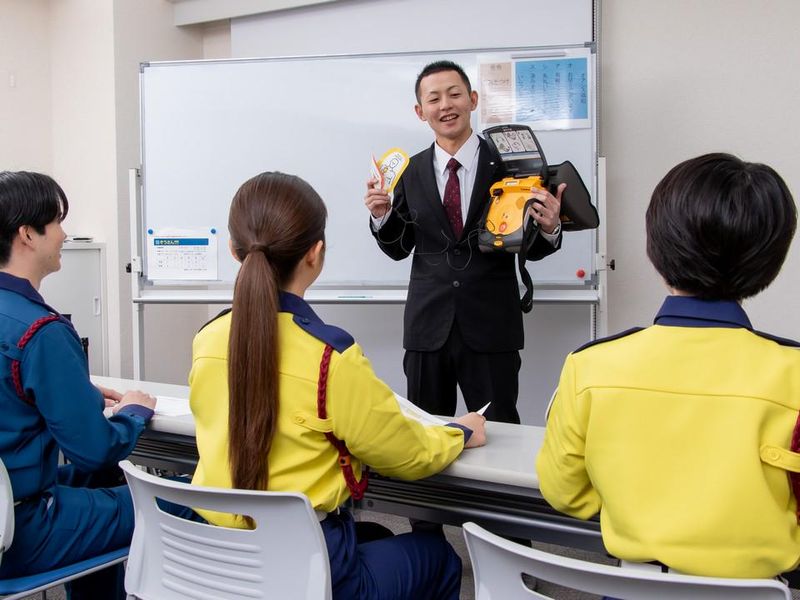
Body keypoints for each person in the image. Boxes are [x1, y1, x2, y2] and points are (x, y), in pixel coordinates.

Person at [189, 171, 487, 599]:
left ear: (236, 252)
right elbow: (406, 455)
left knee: (375, 535)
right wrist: (459, 433)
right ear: (316, 253)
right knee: (438, 557)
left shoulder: (208, 339)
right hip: (311, 573)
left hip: (223, 565)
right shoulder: (330, 356)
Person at [536, 153, 800, 578]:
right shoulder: (793, 375)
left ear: (656, 246)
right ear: (770, 257)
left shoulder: (591, 367)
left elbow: (564, 493)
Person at [364, 60, 564, 424]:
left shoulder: (512, 164)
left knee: (501, 434)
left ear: (472, 99)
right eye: (434, 98)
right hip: (427, 329)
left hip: (491, 327)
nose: (446, 105)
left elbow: (530, 247)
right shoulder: (409, 171)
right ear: (420, 111)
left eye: (455, 94)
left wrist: (549, 228)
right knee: (425, 436)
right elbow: (399, 248)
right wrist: (382, 216)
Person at [0, 171, 157, 599]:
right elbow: (93, 448)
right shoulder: (41, 330)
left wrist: (80, 397)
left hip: (10, 509)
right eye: (57, 222)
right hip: (25, 532)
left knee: (105, 480)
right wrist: (133, 413)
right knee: (175, 507)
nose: (65, 234)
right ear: (28, 234)